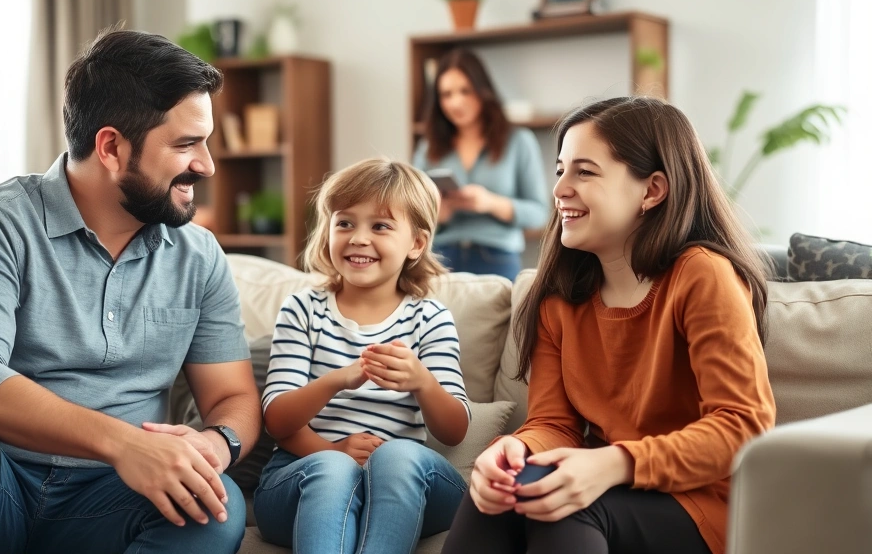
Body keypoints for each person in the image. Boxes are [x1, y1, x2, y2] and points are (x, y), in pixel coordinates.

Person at [0, 29, 262, 554]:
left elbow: (233, 397)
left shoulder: (198, 255)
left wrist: (217, 443)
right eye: (186, 144)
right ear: (111, 147)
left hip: (104, 500)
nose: (207, 164)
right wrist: (124, 444)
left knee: (214, 505)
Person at [441, 96, 777, 554]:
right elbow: (554, 423)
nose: (560, 189)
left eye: (585, 172)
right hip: (606, 489)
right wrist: (515, 450)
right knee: (502, 493)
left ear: (652, 190)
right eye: (560, 170)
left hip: (698, 504)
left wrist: (615, 463)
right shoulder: (559, 298)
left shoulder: (703, 275)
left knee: (567, 507)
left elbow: (743, 426)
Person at [252, 159, 471, 554]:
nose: (358, 238)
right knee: (333, 470)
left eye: (380, 226)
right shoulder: (302, 310)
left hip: (404, 490)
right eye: (345, 223)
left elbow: (454, 431)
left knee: (399, 455)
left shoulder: (430, 318)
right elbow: (277, 420)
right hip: (300, 482)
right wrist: (338, 387)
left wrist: (423, 382)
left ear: (416, 243)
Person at [412, 48, 550, 281]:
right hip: (440, 258)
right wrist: (437, 214)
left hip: (497, 257)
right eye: (446, 94)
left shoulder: (519, 141)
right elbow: (410, 209)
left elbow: (539, 213)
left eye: (465, 91)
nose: (456, 102)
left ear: (483, 91)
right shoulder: (428, 147)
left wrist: (490, 203)